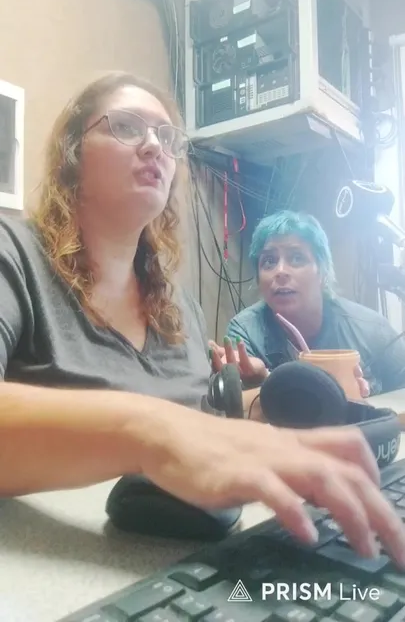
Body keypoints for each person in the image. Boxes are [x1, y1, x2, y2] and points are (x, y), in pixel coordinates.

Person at [0, 73, 404, 566]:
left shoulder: (176, 305)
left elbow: (199, 417)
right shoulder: (12, 253)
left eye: (167, 137)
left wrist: (291, 404)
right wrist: (148, 433)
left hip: (193, 559)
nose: (155, 146)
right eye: (126, 126)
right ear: (72, 154)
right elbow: (167, 432)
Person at [226, 210, 405, 396]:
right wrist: (261, 380)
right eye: (269, 261)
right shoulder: (245, 333)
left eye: (297, 258)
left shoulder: (372, 330)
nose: (280, 271)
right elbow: (235, 406)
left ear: (323, 272)